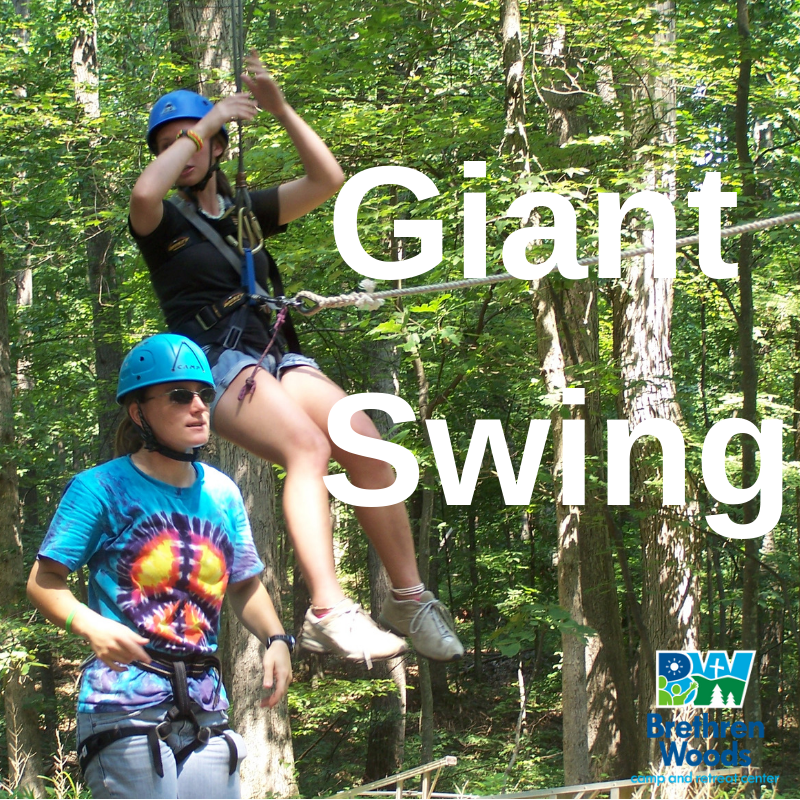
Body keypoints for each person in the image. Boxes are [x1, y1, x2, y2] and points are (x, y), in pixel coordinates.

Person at [127, 51, 464, 666]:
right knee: (306, 449)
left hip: (275, 351)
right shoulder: (161, 223)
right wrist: (208, 120)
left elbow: (327, 179)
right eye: (169, 144)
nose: (183, 150)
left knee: (363, 440)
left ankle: (408, 598)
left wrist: (279, 108)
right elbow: (146, 188)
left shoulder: (245, 213)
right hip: (217, 360)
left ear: (220, 149)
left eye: (192, 138)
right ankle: (327, 612)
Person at [27, 334, 293, 799]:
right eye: (179, 395)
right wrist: (90, 625)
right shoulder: (100, 489)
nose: (199, 406)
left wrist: (276, 639)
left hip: (206, 704)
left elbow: (244, 584)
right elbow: (43, 581)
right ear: (139, 412)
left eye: (205, 394)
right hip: (123, 703)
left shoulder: (223, 493)